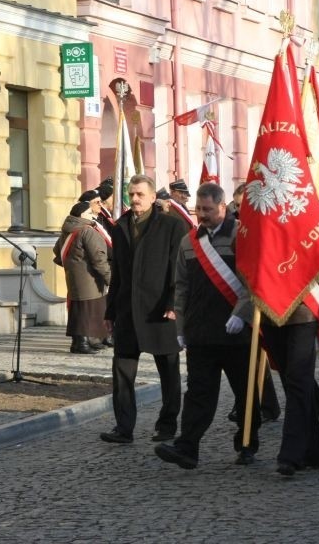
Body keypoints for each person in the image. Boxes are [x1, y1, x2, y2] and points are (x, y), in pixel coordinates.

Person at [154, 183, 261, 469]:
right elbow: (182, 287)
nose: (202, 215)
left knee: (245, 392)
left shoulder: (242, 236)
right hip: (201, 332)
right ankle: (187, 447)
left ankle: (248, 443)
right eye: (199, 209)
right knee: (199, 393)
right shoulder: (190, 242)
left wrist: (242, 314)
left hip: (236, 332)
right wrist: (180, 328)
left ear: (222, 207)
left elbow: (254, 281)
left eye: (208, 210)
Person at [100, 175, 187, 444]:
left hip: (161, 311)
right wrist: (110, 311)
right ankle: (123, 428)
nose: (135, 199)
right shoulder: (120, 226)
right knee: (123, 372)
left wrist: (173, 304)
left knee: (168, 371)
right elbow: (117, 274)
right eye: (131, 194)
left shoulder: (172, 226)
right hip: (127, 311)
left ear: (152, 197)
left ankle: (167, 425)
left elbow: (179, 269)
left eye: (140, 194)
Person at [53, 201, 111, 354]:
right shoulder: (87, 231)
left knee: (79, 309)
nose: (93, 215)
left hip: (74, 276)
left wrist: (73, 266)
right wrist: (109, 276)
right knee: (88, 309)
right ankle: (82, 343)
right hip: (89, 276)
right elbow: (98, 258)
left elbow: (57, 252)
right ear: (83, 215)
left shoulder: (68, 230)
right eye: (90, 213)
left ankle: (85, 341)